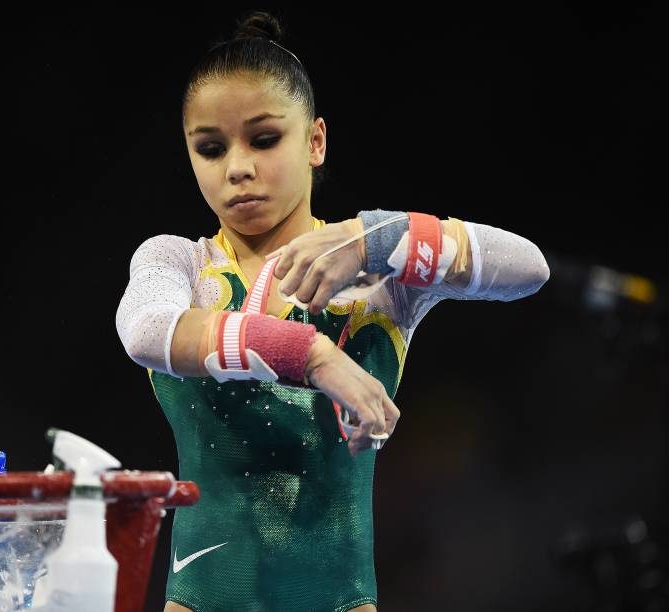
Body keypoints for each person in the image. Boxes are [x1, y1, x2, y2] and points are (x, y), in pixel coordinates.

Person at [116, 10, 550, 612]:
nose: (236, 167)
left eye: (264, 139)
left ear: (315, 140)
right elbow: (146, 330)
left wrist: (375, 239)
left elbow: (530, 269)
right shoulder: (179, 265)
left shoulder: (377, 277)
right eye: (210, 148)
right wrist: (312, 354)